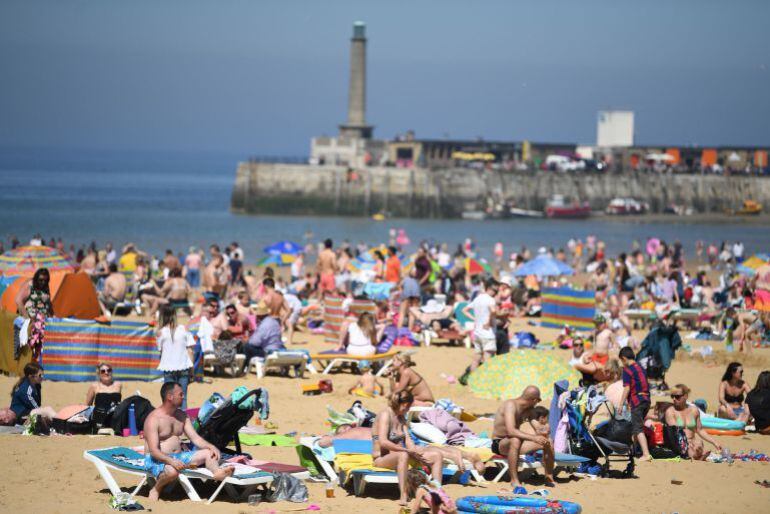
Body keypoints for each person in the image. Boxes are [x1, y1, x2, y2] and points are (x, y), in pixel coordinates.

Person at [143, 382, 234, 501]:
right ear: (170, 397)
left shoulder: (181, 416)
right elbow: (154, 451)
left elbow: (195, 438)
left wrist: (211, 447)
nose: (183, 396)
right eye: (180, 394)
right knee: (172, 472)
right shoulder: (153, 419)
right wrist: (171, 461)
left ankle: (217, 473)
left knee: (208, 452)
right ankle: (156, 488)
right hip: (157, 459)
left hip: (179, 456)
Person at [372, 391, 444, 506]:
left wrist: (417, 453)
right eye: (409, 407)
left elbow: (408, 441)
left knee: (436, 455)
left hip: (401, 456)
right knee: (403, 455)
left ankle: (437, 493)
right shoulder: (386, 415)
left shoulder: (401, 418)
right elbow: (383, 442)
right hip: (382, 458)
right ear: (405, 405)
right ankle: (403, 494)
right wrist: (406, 451)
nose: (408, 409)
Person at [491, 386, 554, 489]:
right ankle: (514, 480)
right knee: (515, 440)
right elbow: (511, 431)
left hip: (516, 443)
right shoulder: (511, 405)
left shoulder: (529, 410)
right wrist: (533, 438)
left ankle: (549, 476)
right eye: (538, 399)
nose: (538, 402)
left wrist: (545, 429)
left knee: (548, 442)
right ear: (534, 399)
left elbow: (538, 428)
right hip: (500, 443)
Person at [664, 384, 722, 460]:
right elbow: (674, 434)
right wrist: (687, 445)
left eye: (677, 397)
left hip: (692, 443)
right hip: (678, 444)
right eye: (672, 396)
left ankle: (697, 454)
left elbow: (700, 430)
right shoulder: (671, 412)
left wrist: (715, 442)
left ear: (686, 396)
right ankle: (698, 456)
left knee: (699, 443)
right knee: (692, 450)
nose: (674, 399)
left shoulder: (694, 410)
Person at [156, 306, 195, 410]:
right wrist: (192, 370)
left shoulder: (160, 332)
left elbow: (161, 352)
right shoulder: (184, 329)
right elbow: (190, 351)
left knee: (169, 397)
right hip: (183, 366)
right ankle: (183, 421)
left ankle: (170, 420)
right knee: (183, 397)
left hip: (168, 368)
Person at [618, 346, 652, 461]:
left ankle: (646, 454)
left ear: (623, 358)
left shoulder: (627, 370)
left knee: (637, 428)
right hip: (647, 400)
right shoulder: (641, 367)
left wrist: (621, 403)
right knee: (636, 427)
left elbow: (627, 388)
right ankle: (633, 449)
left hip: (637, 401)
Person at [14, 268, 54, 358]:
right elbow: (18, 300)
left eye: (45, 280)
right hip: (32, 323)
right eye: (40, 280)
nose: (43, 282)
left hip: (44, 323)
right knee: (30, 348)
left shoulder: (45, 287)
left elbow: (48, 305)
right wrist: (27, 318)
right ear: (36, 278)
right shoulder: (30, 285)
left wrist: (53, 318)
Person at [463, 279, 499, 372]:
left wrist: (475, 319)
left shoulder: (477, 298)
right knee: (488, 360)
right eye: (495, 290)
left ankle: (471, 379)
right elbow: (493, 311)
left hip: (477, 333)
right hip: (488, 334)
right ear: (489, 288)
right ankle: (486, 381)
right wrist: (488, 321)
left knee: (476, 359)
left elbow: (464, 310)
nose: (496, 293)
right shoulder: (491, 300)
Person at [242, 301, 285, 369]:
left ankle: (245, 367)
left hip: (268, 352)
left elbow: (254, 343)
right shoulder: (275, 322)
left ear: (260, 315)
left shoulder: (263, 325)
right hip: (278, 349)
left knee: (247, 346)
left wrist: (247, 340)